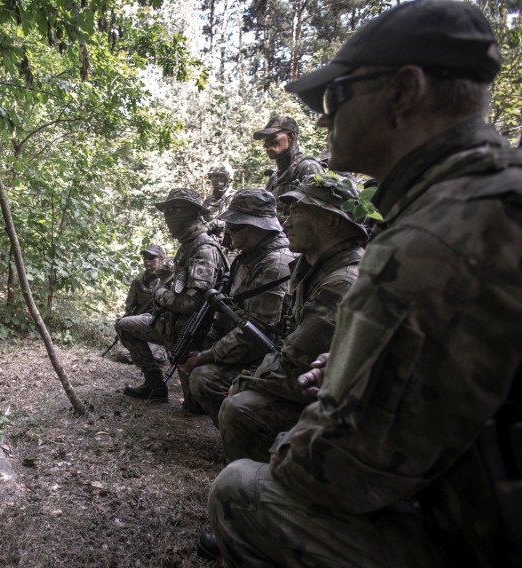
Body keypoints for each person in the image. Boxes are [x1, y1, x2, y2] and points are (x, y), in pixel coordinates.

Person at [205, 2, 522, 566]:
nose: (326, 120)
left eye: (336, 97)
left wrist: (293, 436)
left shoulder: (434, 236)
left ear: (403, 92)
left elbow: (336, 471)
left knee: (240, 491)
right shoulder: (485, 198)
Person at [215, 174, 365, 464]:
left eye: (298, 212)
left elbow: (294, 370)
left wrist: (248, 380)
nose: (286, 222)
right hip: (310, 388)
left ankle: (262, 485)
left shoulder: (341, 282)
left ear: (332, 222)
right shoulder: (314, 269)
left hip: (336, 411)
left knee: (240, 405)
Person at [177, 188, 296, 421]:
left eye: (235, 226)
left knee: (204, 378)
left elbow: (255, 333)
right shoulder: (250, 254)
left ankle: (247, 439)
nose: (228, 232)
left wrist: (205, 357)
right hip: (248, 343)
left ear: (257, 227)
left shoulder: (275, 265)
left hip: (270, 356)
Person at [116, 188, 227, 402]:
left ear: (191, 213)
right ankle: (154, 385)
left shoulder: (203, 249)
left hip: (192, 336)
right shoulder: (187, 246)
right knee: (124, 325)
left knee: (194, 407)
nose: (167, 217)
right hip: (169, 325)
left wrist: (159, 293)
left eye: (173, 210)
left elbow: (191, 304)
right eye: (166, 210)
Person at [108, 244, 171, 365]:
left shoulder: (169, 280)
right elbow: (130, 307)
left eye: (152, 258)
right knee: (123, 354)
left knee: (157, 354)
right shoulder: (139, 281)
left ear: (162, 259)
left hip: (161, 326)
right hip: (143, 325)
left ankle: (160, 353)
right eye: (145, 258)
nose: (148, 261)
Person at [253, 116, 324, 200]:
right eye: (265, 140)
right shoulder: (274, 176)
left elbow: (321, 210)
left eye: (272, 138)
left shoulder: (308, 167)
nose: (265, 145)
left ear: (290, 136)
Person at [201, 163, 236, 249]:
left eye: (221, 177)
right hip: (209, 245)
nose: (217, 180)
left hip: (230, 246)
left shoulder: (236, 198)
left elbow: (239, 222)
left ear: (228, 179)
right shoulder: (208, 200)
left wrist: (215, 223)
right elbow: (200, 220)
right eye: (214, 176)